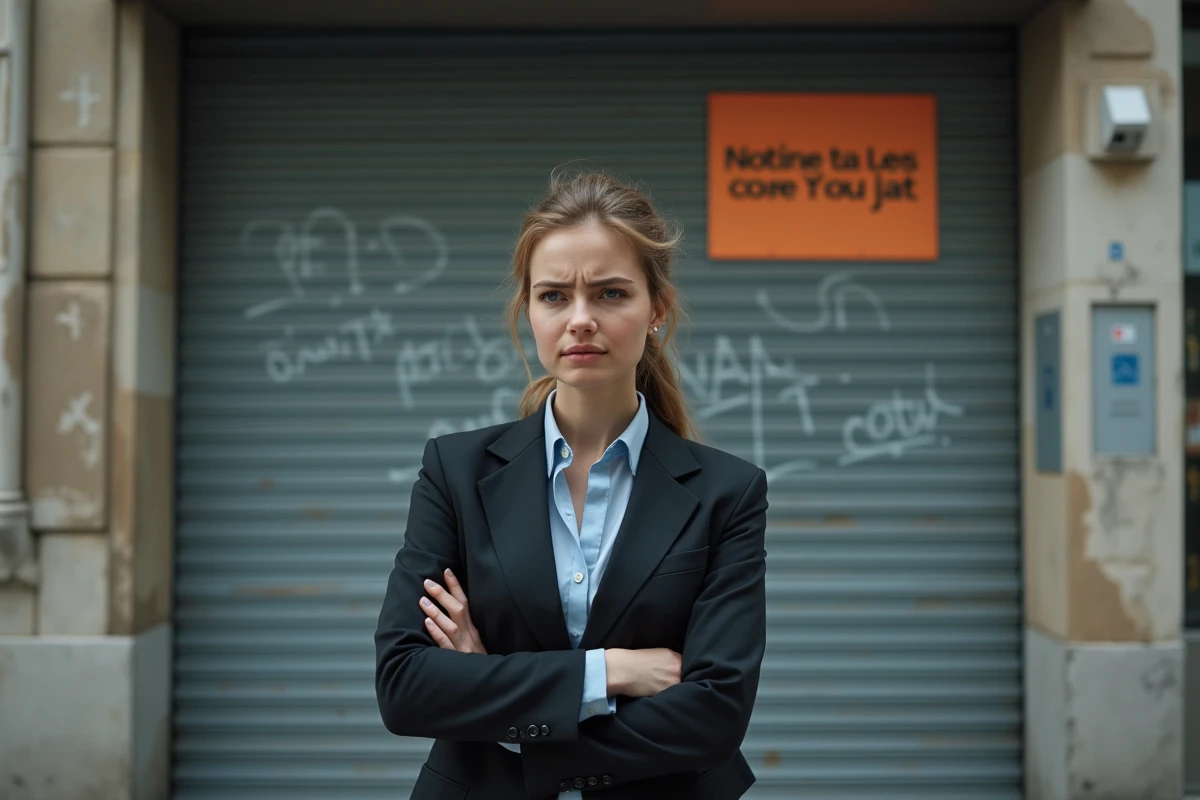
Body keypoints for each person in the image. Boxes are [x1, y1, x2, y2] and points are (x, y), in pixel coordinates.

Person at [374, 172, 769, 799]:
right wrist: (606, 672)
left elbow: (714, 714)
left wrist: (499, 700)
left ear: (657, 308)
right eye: (554, 296)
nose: (580, 320)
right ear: (528, 310)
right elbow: (405, 686)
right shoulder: (455, 472)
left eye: (610, 293)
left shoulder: (728, 492)